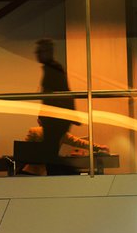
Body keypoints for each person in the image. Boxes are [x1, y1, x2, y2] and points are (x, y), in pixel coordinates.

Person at [35, 38, 77, 175]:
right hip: (56, 117)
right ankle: (63, 173)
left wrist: (44, 114)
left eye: (40, 51)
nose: (37, 54)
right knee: (51, 150)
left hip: (55, 117)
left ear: (48, 52)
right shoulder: (52, 68)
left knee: (50, 150)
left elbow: (54, 95)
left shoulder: (53, 69)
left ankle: (64, 173)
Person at [21, 116, 108, 175]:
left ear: (39, 121)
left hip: (33, 170)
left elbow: (24, 150)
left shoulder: (34, 131)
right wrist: (98, 147)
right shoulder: (60, 133)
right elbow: (79, 142)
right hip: (51, 170)